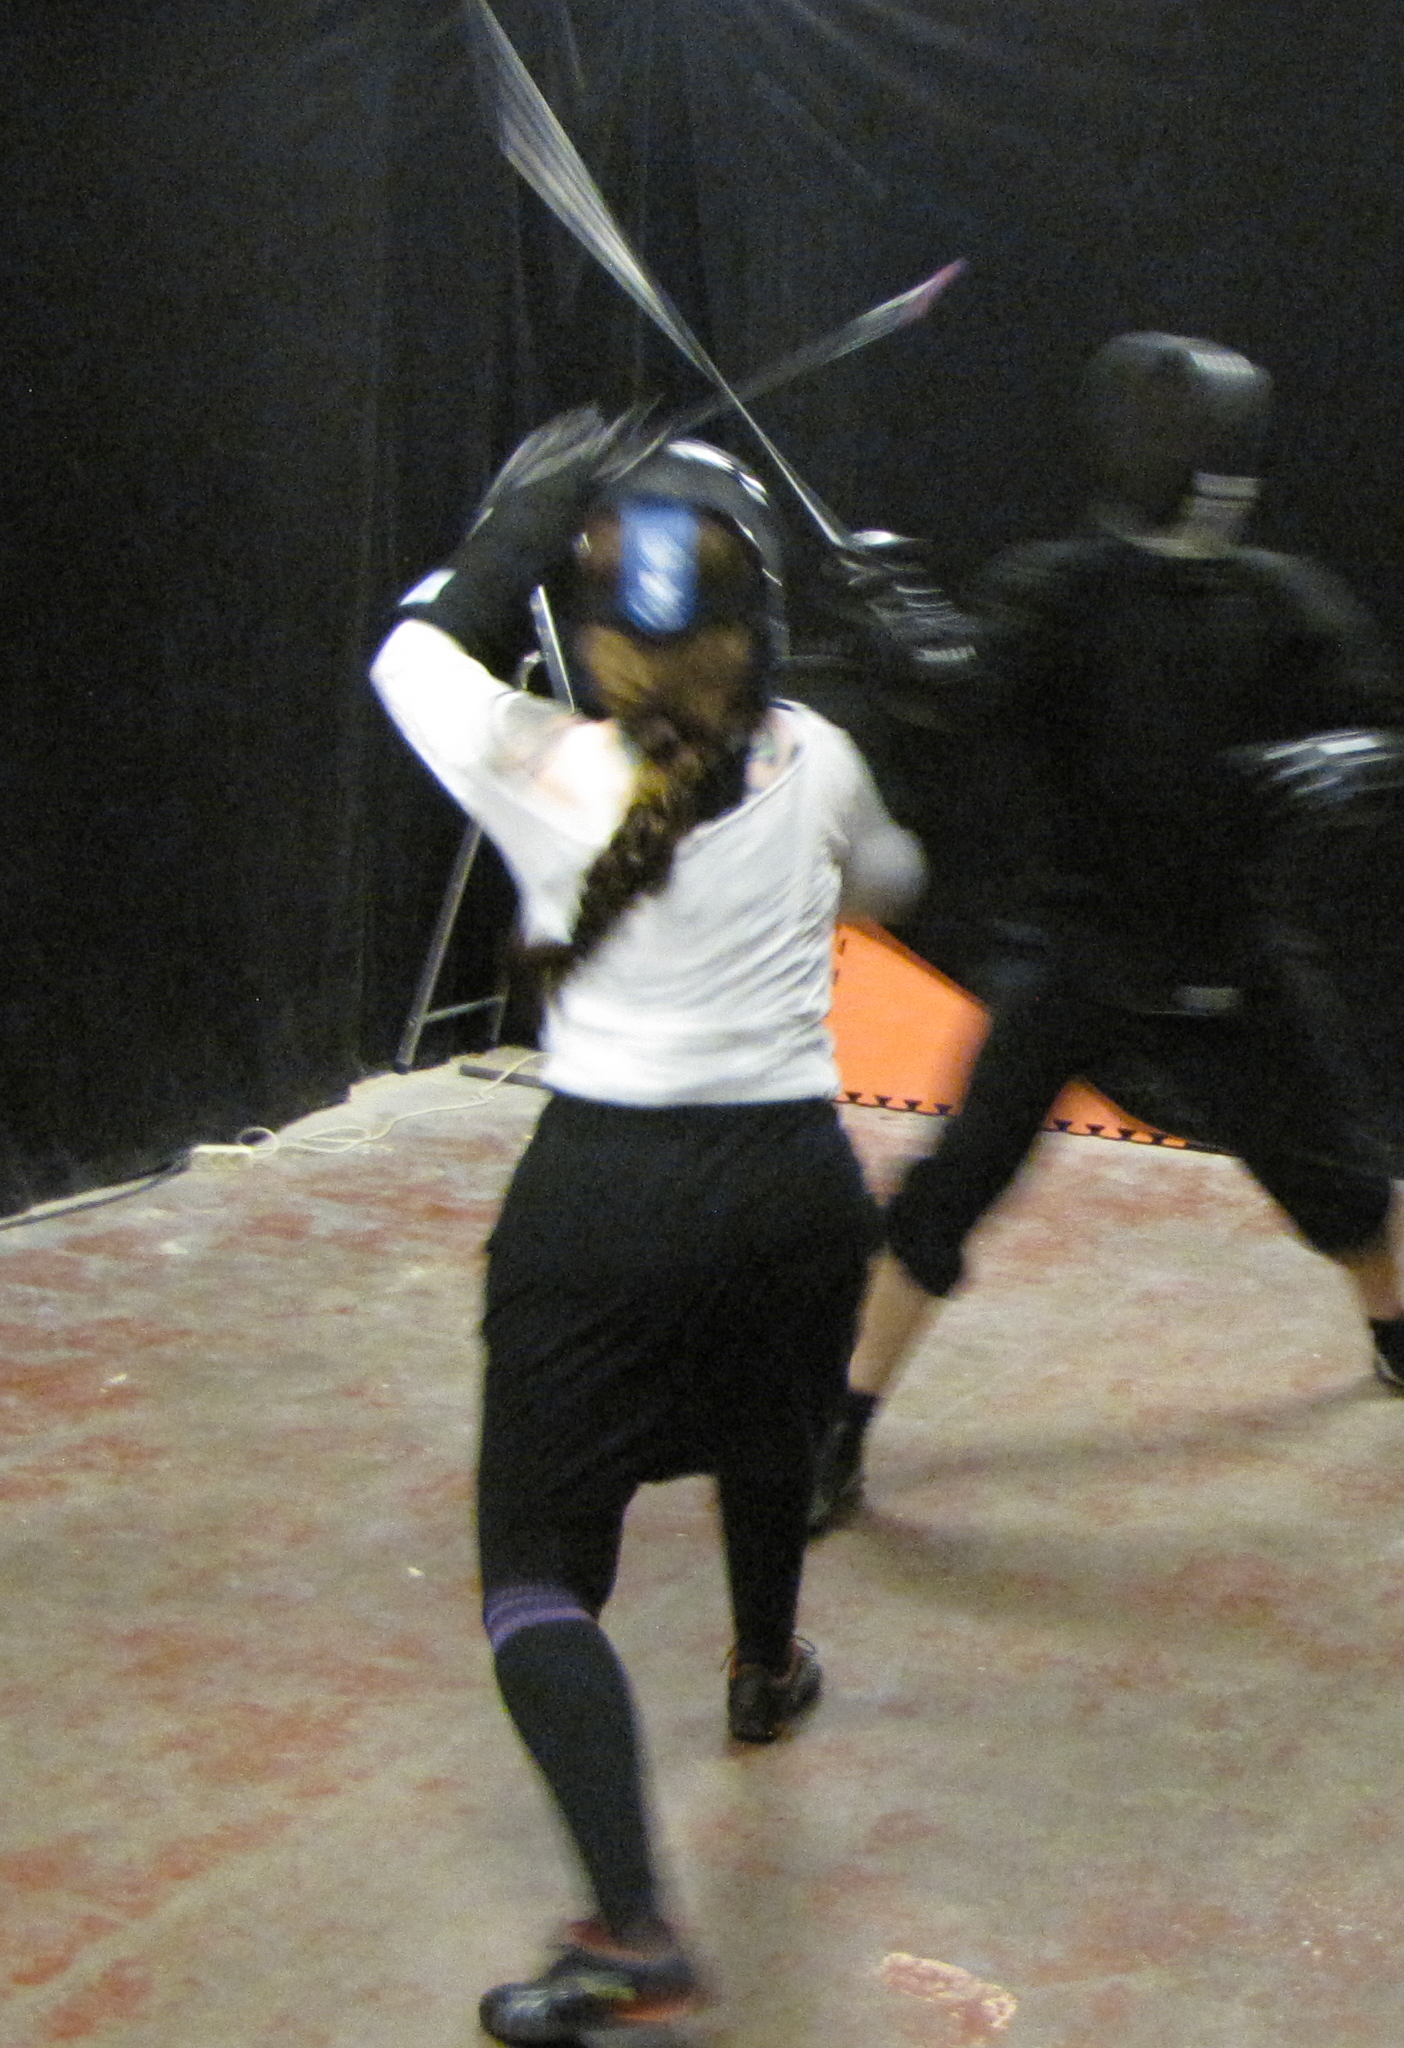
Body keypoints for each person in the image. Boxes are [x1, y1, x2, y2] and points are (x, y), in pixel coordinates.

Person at [369, 416, 922, 2042]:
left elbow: (411, 652)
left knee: (536, 1571)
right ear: (761, 622)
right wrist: (898, 712)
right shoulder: (821, 758)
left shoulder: (540, 762)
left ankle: (632, 1931)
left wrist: (510, 527)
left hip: (603, 1197)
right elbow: (892, 883)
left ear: (594, 623)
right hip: (793, 1188)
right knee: (766, 1431)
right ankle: (762, 1668)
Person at [815, 332, 1404, 1536]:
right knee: (950, 1188)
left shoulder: (1278, 598)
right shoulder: (1055, 591)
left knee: (1348, 1180)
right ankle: (843, 1425)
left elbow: (1393, 726)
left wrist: (1358, 756)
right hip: (1078, 948)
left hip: (1231, 949)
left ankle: (1395, 1335)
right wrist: (902, 633)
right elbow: (964, 695)